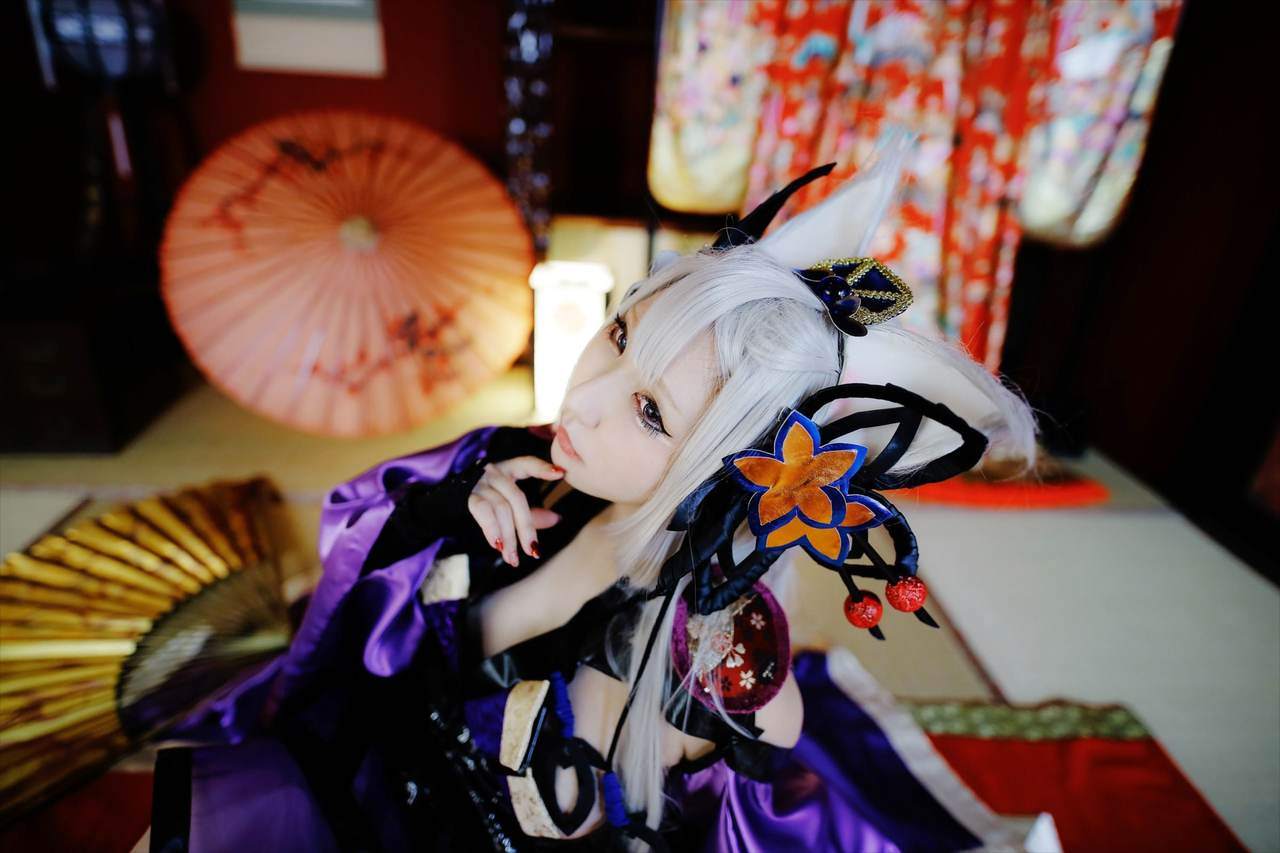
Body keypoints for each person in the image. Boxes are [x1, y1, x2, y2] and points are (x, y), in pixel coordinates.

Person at [146, 132, 1036, 852]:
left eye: (650, 410)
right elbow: (364, 616)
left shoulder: (722, 677)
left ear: (739, 469)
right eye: (617, 334)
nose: (583, 400)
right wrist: (439, 512)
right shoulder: (526, 465)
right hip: (366, 780)